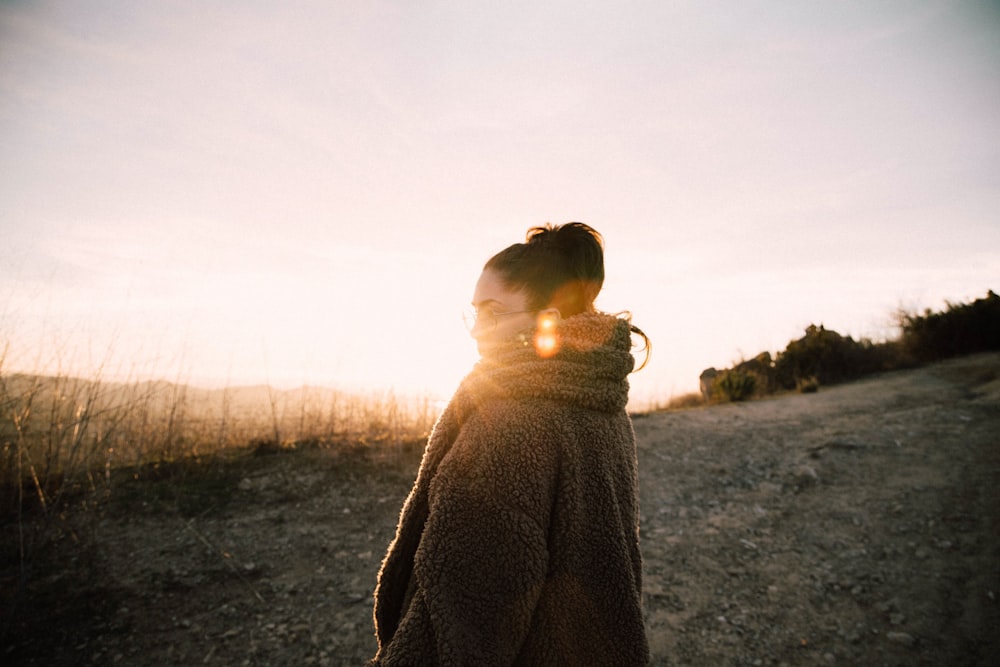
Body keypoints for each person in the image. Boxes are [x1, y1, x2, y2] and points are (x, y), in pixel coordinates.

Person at [368, 222, 650, 666]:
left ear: (548, 319)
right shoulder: (601, 399)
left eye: (493, 313)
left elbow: (463, 617)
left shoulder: (506, 421)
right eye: (475, 313)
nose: (477, 331)